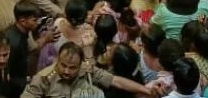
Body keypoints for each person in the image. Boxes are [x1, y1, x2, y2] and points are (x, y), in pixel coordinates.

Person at [25, 41, 160, 96]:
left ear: (80, 65)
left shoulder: (86, 69)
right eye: (63, 65)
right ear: (57, 60)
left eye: (72, 68)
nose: (66, 71)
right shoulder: (43, 79)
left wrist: (147, 90)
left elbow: (115, 81)